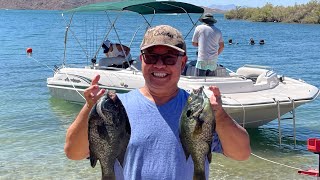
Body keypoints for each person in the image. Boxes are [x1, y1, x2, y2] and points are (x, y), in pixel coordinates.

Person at [64, 25, 251, 180]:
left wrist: (220, 114)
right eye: (151, 57)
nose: (159, 65)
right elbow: (73, 152)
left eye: (169, 58)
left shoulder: (199, 110)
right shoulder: (115, 107)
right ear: (141, 60)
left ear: (183, 62)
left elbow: (241, 153)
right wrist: (89, 107)